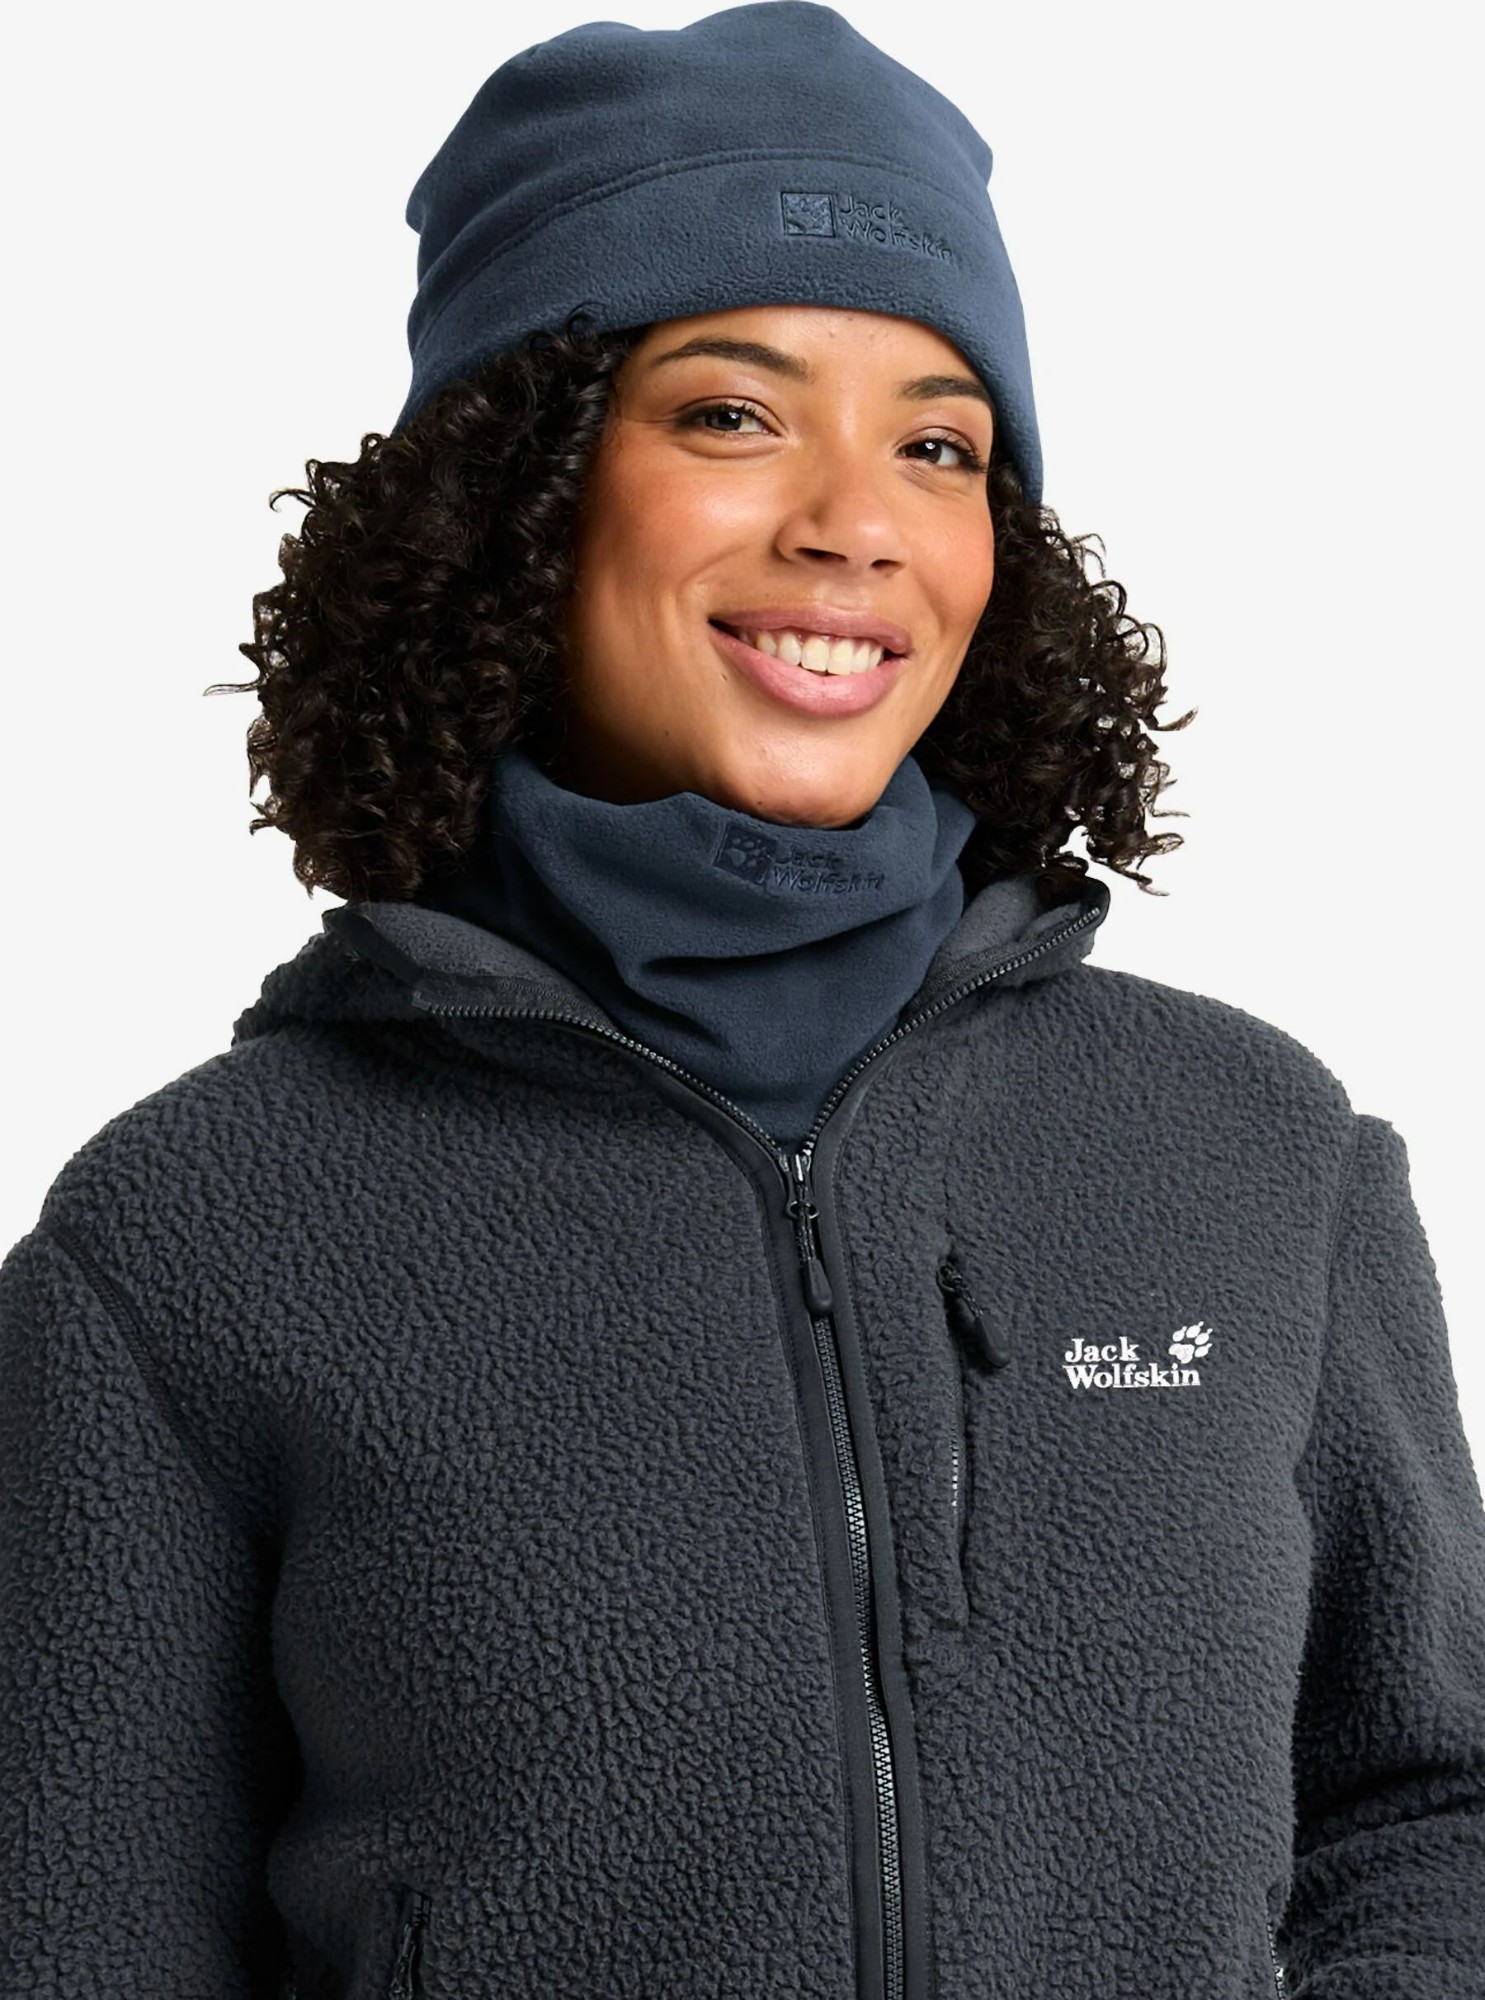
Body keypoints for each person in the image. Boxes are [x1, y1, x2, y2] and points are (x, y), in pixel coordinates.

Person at [2, 4, 1482, 1996]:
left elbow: (1425, 1802)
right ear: (518, 489)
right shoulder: (189, 1238)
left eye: (937, 446)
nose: (853, 523)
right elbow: (73, 1931)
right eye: (728, 414)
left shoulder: (1253, 1155)